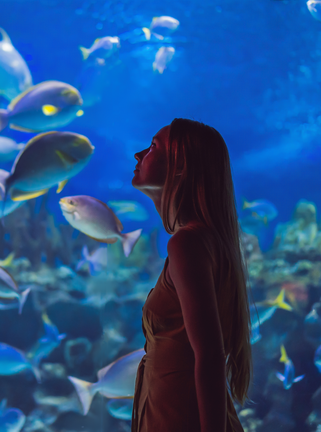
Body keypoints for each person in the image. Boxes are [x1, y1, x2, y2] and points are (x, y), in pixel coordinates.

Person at [130, 118, 252, 432]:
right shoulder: (208, 240)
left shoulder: (187, 244)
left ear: (181, 167)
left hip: (179, 417)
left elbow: (209, 356)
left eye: (154, 146)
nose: (138, 154)